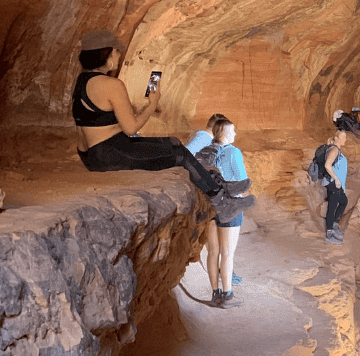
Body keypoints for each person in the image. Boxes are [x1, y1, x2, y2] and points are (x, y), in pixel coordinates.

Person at [72, 29, 252, 221]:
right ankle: (222, 202)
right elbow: (130, 128)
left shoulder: (82, 81)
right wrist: (153, 104)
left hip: (93, 154)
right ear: (105, 54)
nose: (118, 55)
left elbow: (101, 119)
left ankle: (221, 186)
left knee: (174, 142)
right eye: (115, 51)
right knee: (178, 155)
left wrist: (143, 109)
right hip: (110, 153)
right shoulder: (111, 84)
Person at [203, 117, 250, 309]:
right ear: (223, 134)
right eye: (232, 131)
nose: (235, 134)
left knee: (213, 252)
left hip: (209, 207)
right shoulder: (233, 152)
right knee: (227, 254)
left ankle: (215, 294)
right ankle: (227, 295)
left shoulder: (205, 152)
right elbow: (241, 182)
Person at [324, 129, 348, 244]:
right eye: (344, 137)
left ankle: (334, 226)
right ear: (338, 139)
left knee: (344, 201)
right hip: (333, 183)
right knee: (332, 207)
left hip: (337, 184)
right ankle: (329, 235)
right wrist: (336, 179)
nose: (345, 139)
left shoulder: (337, 150)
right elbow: (327, 165)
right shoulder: (334, 149)